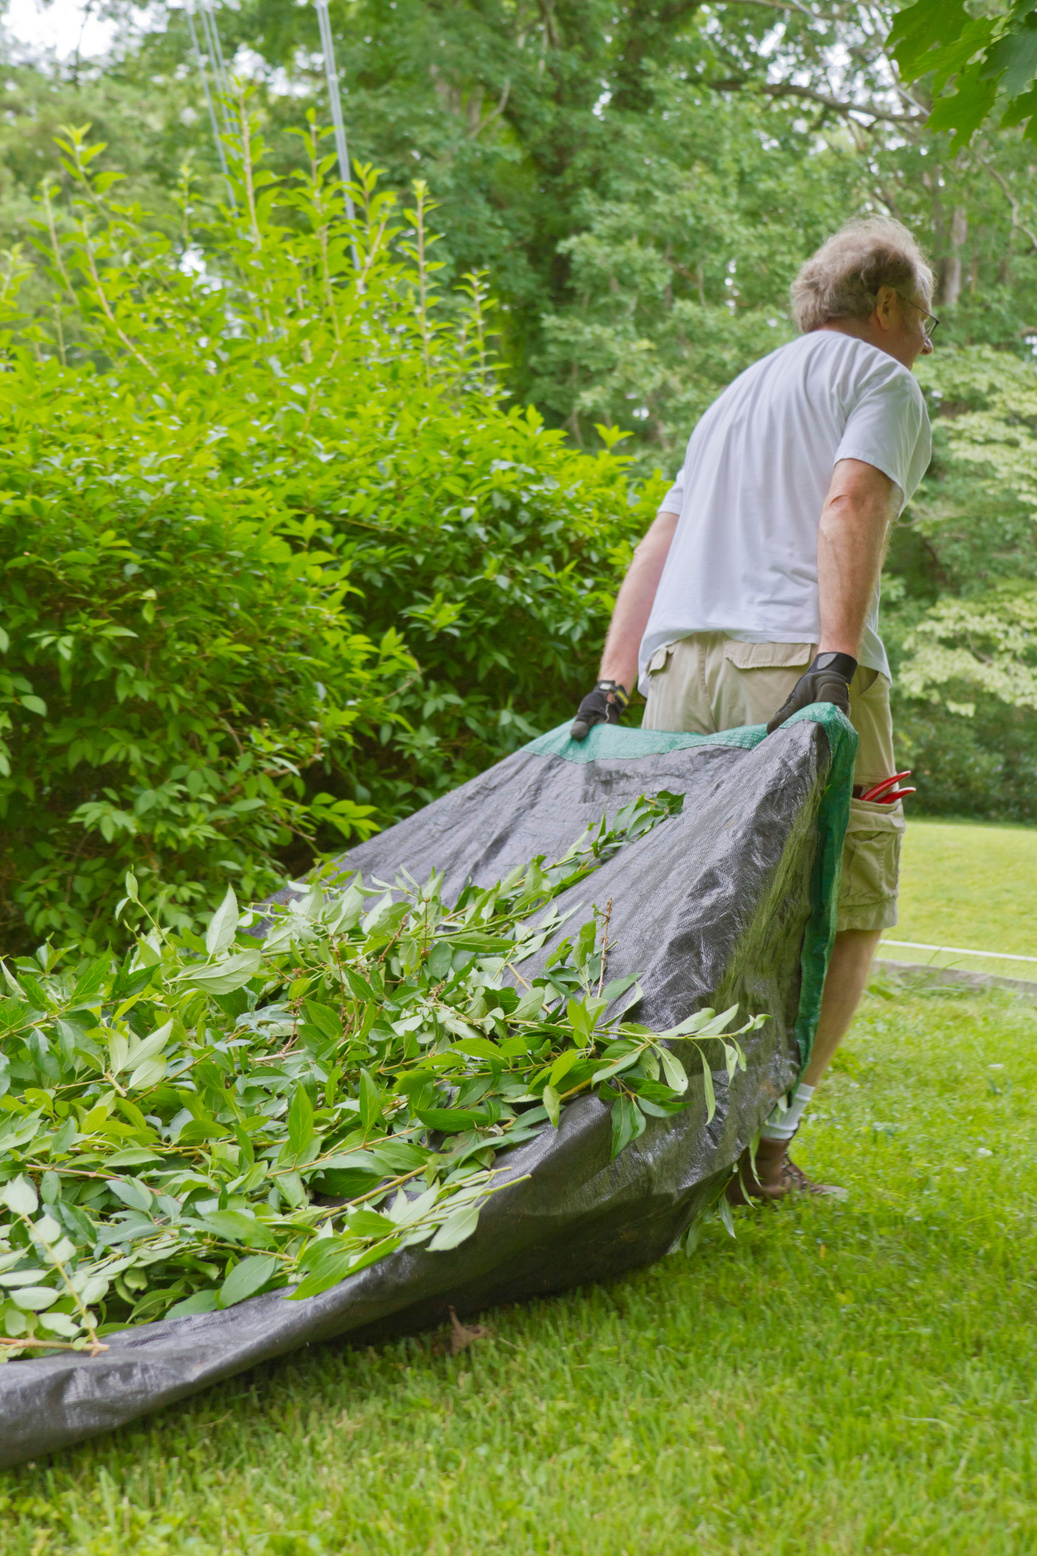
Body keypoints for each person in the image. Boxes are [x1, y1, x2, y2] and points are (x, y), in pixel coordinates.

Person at [570, 216, 935, 1202]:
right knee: (847, 899)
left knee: (677, 898)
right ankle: (765, 1148)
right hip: (792, 664)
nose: (927, 341)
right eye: (924, 317)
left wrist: (611, 679)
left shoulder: (734, 398)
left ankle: (615, 1125)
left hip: (674, 673)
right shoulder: (882, 381)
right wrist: (834, 661)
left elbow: (660, 539)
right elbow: (849, 505)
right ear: (889, 304)